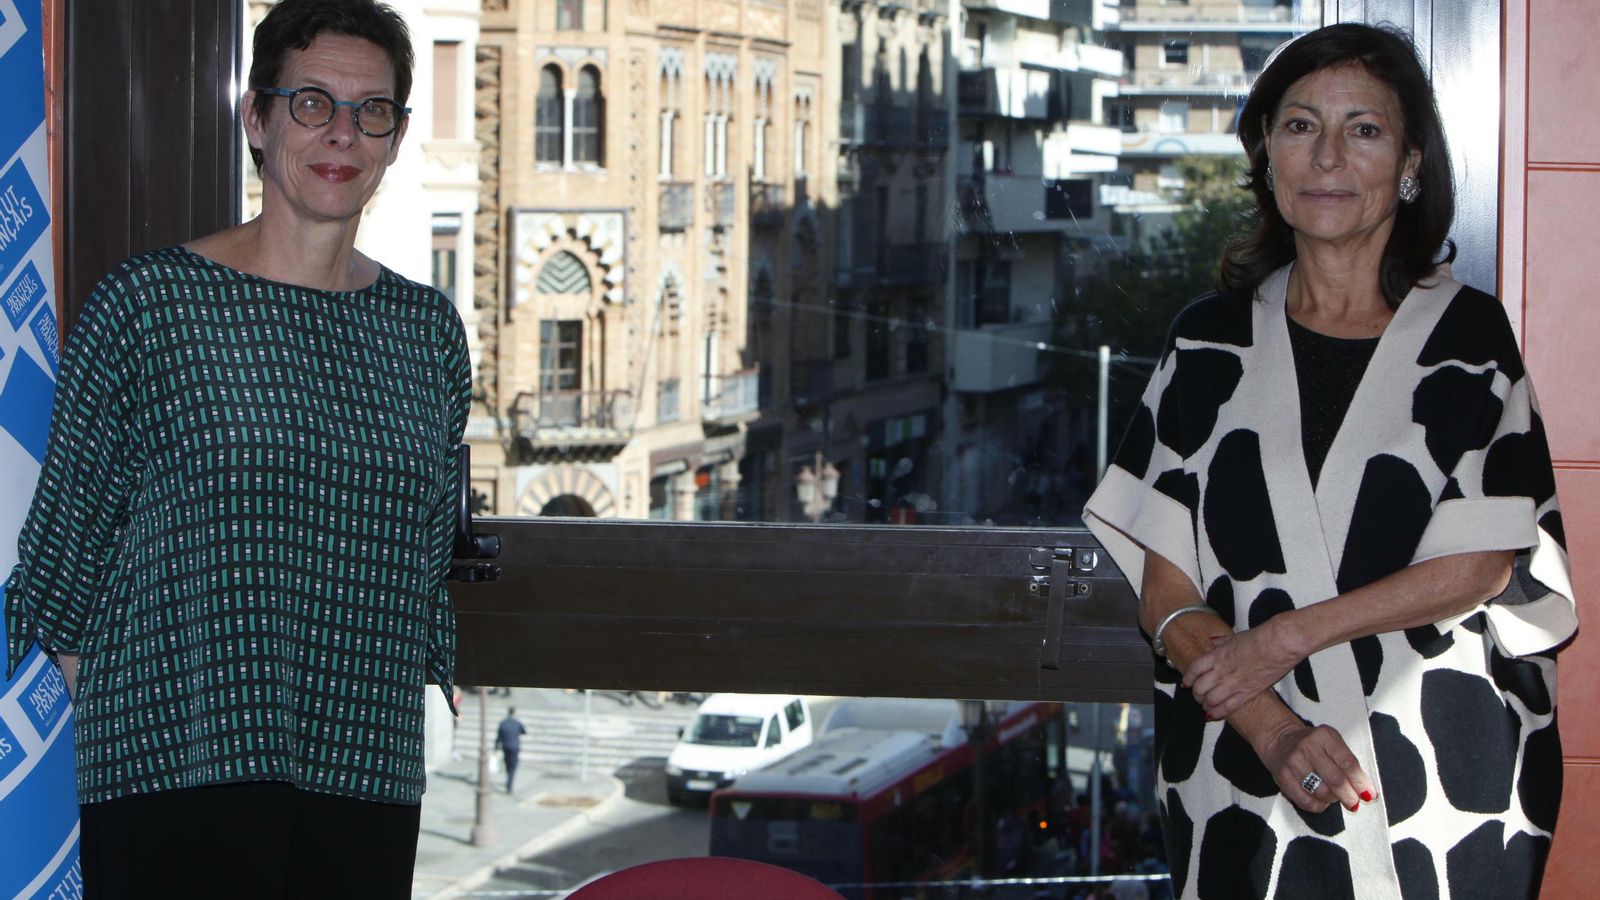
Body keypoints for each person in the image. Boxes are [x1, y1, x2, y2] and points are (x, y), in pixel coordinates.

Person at [1083, 23, 1575, 899]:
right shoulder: (1206, 342)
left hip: (1443, 776)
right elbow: (1166, 589)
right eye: (1301, 125)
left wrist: (1283, 638)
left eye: (1365, 129)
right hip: (1243, 769)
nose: (1329, 157)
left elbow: (1482, 561)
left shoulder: (1469, 337)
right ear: (1267, 155)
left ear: (1411, 164)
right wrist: (1272, 727)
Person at [1, 1, 470, 895]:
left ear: (397, 137)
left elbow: (424, 563)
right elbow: (62, 563)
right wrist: (121, 720)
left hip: (363, 776)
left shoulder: (429, 333)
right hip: (173, 770)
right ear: (256, 118)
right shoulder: (150, 306)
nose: (341, 134)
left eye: (371, 111)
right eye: (311, 103)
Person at [495, 707, 527, 793]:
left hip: (505, 746)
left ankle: (508, 780)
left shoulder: (503, 723)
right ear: (514, 713)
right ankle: (509, 784)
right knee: (513, 766)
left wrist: (496, 747)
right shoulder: (517, 722)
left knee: (508, 764)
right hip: (514, 747)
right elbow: (524, 731)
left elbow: (498, 736)